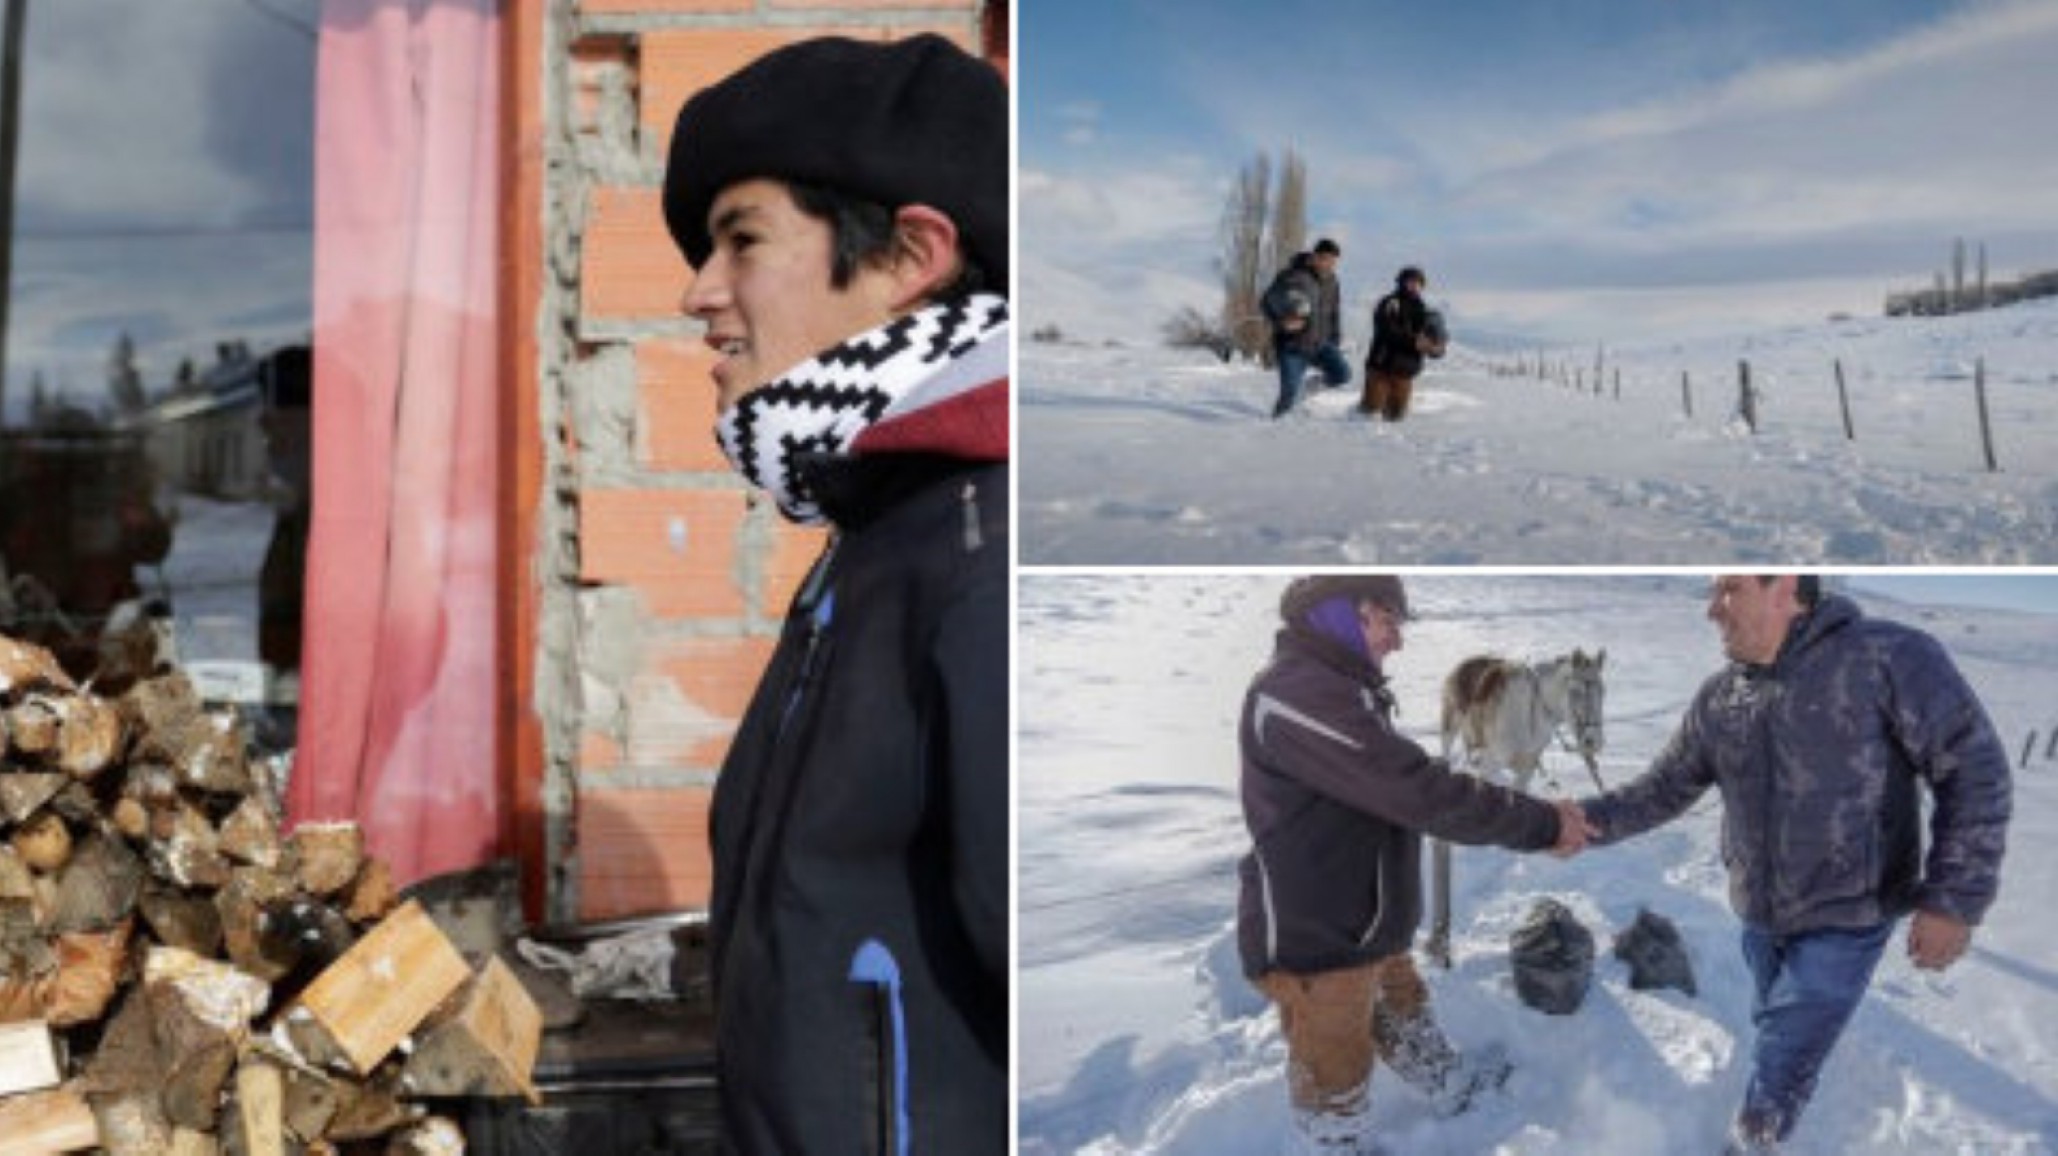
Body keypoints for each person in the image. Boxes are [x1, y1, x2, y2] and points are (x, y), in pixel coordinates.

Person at [659, 34, 1007, 1153]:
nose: (698, 294)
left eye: (742, 239)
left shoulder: (984, 549)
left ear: (912, 254)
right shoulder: (880, 534)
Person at [1565, 575, 2012, 1153]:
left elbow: (1974, 770)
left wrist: (1953, 901)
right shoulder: (1720, 698)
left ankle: (1755, 1136)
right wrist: (1575, 822)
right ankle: (1776, 1082)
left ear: (1786, 589)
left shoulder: (1886, 658)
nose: (1712, 610)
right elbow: (1662, 789)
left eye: (1730, 591)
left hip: (1851, 913)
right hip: (1760, 913)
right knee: (1774, 1020)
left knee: (1786, 1050)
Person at [1238, 574, 1589, 1153]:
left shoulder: (1343, 689)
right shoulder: (1297, 694)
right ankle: (1336, 1140)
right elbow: (1414, 789)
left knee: (1402, 1005)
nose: (1398, 640)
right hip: (1320, 935)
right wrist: (1541, 823)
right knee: (1334, 1062)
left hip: (1366, 917)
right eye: (1389, 621)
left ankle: (1446, 1082)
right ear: (1344, 613)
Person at [1261, 238, 1350, 418]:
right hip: (1293, 347)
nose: (1330, 265)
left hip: (1320, 344)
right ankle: (1276, 424)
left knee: (1342, 374)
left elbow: (1334, 312)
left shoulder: (1332, 281)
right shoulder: (1292, 275)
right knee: (1288, 393)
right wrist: (1281, 322)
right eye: (1326, 260)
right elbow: (1266, 302)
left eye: (1334, 262)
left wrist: (1335, 340)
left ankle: (1308, 388)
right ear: (1315, 257)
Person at [1362, 266, 1442, 421]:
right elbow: (1387, 330)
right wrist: (1415, 341)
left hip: (1405, 372)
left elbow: (1432, 337)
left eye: (1418, 283)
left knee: (1396, 418)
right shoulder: (1390, 303)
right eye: (1410, 282)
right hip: (1382, 368)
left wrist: (1436, 348)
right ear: (1401, 282)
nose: (1414, 286)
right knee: (1369, 415)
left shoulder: (1423, 310)